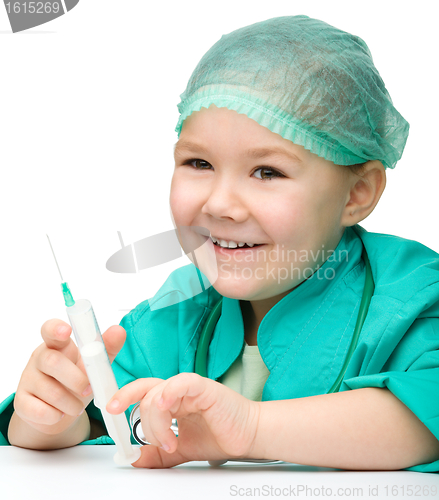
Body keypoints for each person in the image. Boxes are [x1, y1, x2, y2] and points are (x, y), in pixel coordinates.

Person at [2, 15, 439, 472]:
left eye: (267, 172)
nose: (221, 204)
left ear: (357, 193)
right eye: (198, 162)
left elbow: (428, 412)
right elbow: (102, 421)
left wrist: (248, 427)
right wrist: (51, 419)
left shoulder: (414, 298)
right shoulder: (174, 315)